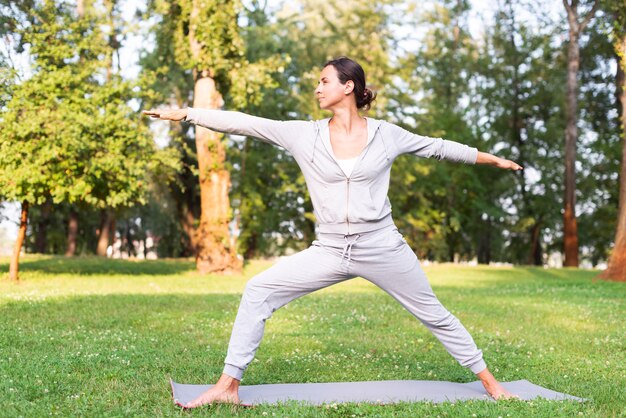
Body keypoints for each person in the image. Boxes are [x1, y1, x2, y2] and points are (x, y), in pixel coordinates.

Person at [144, 56, 522, 408]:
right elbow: (247, 123)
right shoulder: (302, 135)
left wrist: (494, 160)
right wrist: (189, 113)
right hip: (328, 249)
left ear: (349, 87)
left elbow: (437, 148)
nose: (317, 88)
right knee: (258, 290)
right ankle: (227, 386)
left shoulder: (386, 135)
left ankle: (491, 384)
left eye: (324, 81)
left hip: (381, 246)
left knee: (434, 314)